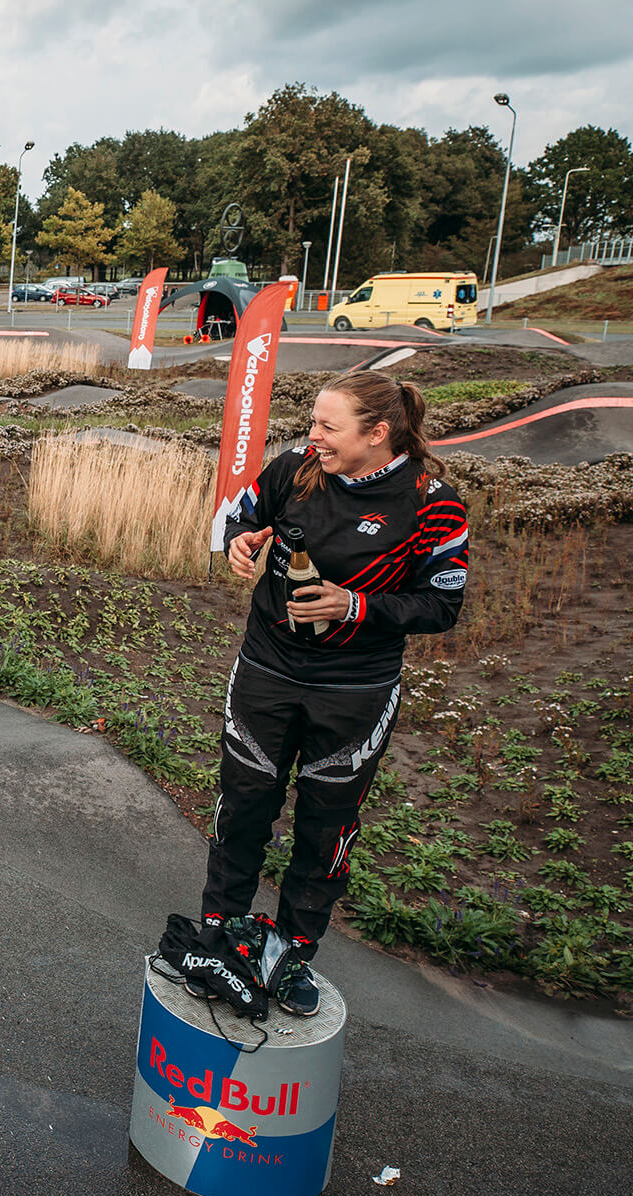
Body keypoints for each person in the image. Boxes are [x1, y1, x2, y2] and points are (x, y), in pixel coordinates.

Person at [201, 369, 469, 1015]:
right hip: (267, 668)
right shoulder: (295, 467)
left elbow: (443, 604)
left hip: (355, 690)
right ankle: (218, 937)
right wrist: (241, 542)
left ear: (378, 434)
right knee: (242, 810)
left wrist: (356, 606)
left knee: (324, 834)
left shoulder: (434, 501)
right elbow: (239, 520)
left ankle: (289, 955)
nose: (311, 434)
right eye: (312, 421)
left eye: (328, 425)